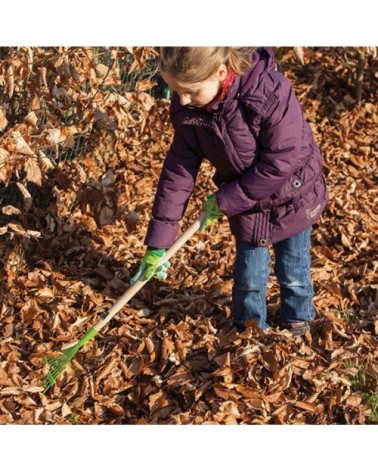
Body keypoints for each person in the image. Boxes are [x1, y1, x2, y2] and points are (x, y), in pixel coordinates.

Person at [131, 47, 328, 337]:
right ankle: (248, 330)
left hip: (293, 195)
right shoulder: (189, 109)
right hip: (247, 203)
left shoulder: (268, 93)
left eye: (190, 91)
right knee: (248, 274)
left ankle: (298, 321)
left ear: (220, 73)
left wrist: (227, 200)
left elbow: (280, 162)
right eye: (176, 91)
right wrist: (159, 242)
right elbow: (178, 172)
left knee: (293, 271)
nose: (182, 100)